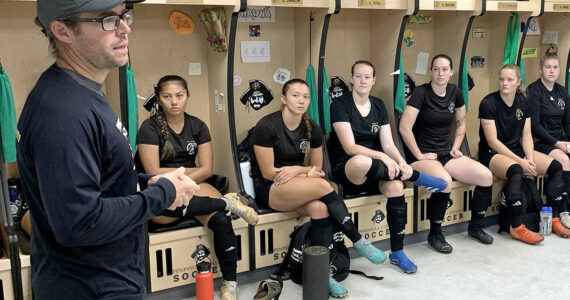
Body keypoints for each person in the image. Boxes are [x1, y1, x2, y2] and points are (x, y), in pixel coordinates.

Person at [16, 1, 200, 299]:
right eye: (106, 20)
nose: (125, 29)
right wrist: (162, 194)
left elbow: (95, 180)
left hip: (109, 278)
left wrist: (144, 183)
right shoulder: (63, 112)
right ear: (62, 31)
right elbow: (80, 223)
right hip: (91, 286)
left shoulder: (81, 91)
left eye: (124, 16)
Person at [252, 78, 385, 298]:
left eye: (305, 96)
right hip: (271, 188)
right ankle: (357, 238)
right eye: (295, 95)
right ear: (284, 99)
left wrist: (298, 171)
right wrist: (300, 170)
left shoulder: (311, 127)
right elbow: (267, 172)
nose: (301, 101)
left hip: (296, 185)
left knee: (320, 209)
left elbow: (317, 167)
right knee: (324, 186)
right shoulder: (267, 126)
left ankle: (324, 274)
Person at [136, 75, 258, 300]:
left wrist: (185, 183)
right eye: (167, 96)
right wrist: (178, 182)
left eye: (179, 95)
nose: (174, 101)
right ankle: (227, 202)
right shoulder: (149, 128)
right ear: (159, 99)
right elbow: (152, 171)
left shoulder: (198, 126)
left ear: (187, 97)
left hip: (194, 183)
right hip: (160, 190)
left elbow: (206, 168)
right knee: (168, 206)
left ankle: (230, 284)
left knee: (221, 220)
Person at [329, 60, 447, 274]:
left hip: (379, 169)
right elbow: (349, 147)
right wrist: (384, 157)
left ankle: (398, 252)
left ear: (374, 80)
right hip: (349, 169)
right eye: (358, 76)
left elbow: (388, 144)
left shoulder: (379, 105)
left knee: (395, 188)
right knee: (361, 161)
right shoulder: (340, 104)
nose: (362, 80)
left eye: (367, 77)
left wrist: (401, 162)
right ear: (351, 79)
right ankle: (417, 177)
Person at [399, 54, 495, 252]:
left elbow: (461, 123)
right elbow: (404, 128)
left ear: (451, 72)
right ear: (431, 72)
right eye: (436, 69)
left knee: (485, 176)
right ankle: (435, 234)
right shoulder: (420, 93)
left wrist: (456, 146)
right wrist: (418, 155)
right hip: (422, 156)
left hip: (446, 153)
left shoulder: (455, 92)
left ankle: (475, 227)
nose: (440, 73)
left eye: (444, 69)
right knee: (444, 182)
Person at [478, 63, 569, 244]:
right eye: (502, 79)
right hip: (492, 154)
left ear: (518, 82)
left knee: (556, 166)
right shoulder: (488, 103)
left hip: (516, 151)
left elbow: (526, 134)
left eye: (510, 80)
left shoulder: (523, 102)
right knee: (516, 171)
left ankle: (555, 218)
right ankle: (517, 227)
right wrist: (521, 161)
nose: (505, 83)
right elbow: (492, 142)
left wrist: (530, 159)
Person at [528, 45, 570, 232]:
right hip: (539, 142)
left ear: (559, 70)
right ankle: (561, 210)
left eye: (555, 67)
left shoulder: (562, 92)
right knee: (562, 160)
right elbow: (534, 126)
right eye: (547, 67)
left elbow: (567, 123)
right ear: (540, 69)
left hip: (557, 139)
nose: (551, 71)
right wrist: (558, 144)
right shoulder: (534, 91)